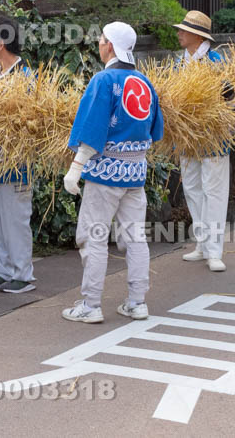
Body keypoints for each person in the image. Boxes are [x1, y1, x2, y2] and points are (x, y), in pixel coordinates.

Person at [61, 22, 163, 324]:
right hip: (135, 173)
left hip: (104, 174)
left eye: (102, 39)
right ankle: (137, 302)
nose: (98, 42)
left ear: (111, 46)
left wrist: (75, 168)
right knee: (135, 237)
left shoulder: (103, 81)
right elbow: (155, 130)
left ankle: (91, 305)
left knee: (93, 236)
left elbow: (92, 129)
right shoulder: (145, 82)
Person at [0, 16, 36, 295]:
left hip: (16, 158)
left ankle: (22, 274)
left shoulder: (27, 76)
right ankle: (1, 269)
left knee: (15, 216)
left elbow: (32, 119)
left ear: (1, 43)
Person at [173, 10, 230, 272]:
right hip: (187, 136)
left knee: (214, 192)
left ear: (197, 35)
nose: (179, 34)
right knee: (193, 189)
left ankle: (215, 250)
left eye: (183, 30)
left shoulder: (217, 61)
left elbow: (230, 100)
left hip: (213, 136)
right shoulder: (178, 62)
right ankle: (202, 243)